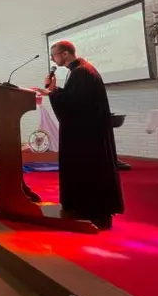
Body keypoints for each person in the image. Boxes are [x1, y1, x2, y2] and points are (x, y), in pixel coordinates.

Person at [38, 41, 124, 229]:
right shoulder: (78, 71)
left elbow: (74, 107)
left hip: (87, 137)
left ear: (66, 54)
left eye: (55, 55)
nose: (52, 59)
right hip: (86, 132)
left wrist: (52, 92)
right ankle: (82, 208)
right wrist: (55, 90)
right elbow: (74, 99)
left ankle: (93, 212)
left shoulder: (82, 72)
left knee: (90, 172)